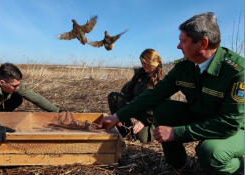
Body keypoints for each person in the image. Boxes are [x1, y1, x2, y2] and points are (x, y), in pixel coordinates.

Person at [100, 12, 244, 175]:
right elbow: (154, 95)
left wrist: (176, 133)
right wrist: (117, 116)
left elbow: (229, 124)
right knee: (163, 109)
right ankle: (180, 165)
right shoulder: (185, 67)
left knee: (211, 153)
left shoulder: (236, 72)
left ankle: (238, 168)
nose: (178, 46)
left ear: (203, 43)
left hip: (235, 129)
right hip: (201, 115)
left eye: (183, 41)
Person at [0, 63, 61, 142]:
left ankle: (0, 116)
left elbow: (34, 96)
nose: (17, 88)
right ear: (2, 82)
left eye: (18, 84)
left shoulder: (9, 81)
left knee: (17, 97)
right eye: (14, 86)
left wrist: (58, 111)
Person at [108, 48, 163, 143]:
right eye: (142, 63)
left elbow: (160, 108)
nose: (143, 66)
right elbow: (126, 94)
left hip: (151, 117)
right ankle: (125, 132)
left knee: (141, 138)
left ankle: (144, 130)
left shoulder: (162, 80)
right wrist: (120, 114)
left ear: (152, 62)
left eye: (145, 63)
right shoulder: (140, 75)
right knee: (114, 97)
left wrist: (143, 121)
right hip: (137, 108)